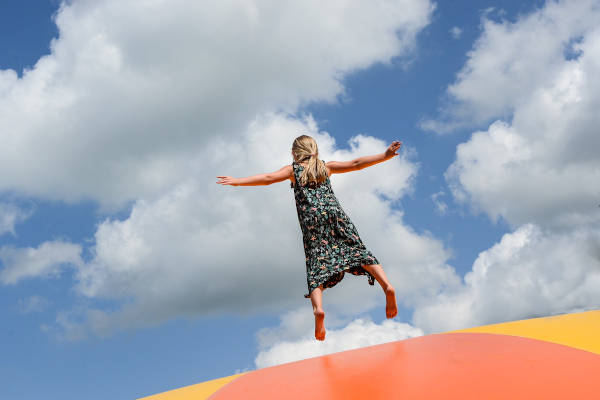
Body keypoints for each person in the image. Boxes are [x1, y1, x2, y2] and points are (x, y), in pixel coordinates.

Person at [216, 135, 401, 341]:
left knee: (316, 265)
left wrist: (238, 182)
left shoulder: (292, 171)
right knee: (359, 251)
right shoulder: (325, 167)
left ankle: (319, 310)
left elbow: (268, 179)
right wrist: (385, 155)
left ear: (295, 153)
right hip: (335, 215)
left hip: (312, 223)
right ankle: (387, 286)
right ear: (315, 150)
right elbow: (356, 164)